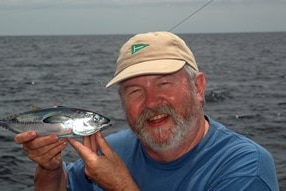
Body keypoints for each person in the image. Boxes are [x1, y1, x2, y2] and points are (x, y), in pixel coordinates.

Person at [15, 31, 279, 191]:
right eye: (134, 91)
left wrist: (119, 185)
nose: (151, 102)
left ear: (198, 87)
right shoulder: (108, 152)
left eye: (164, 82)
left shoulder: (244, 166)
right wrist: (50, 169)